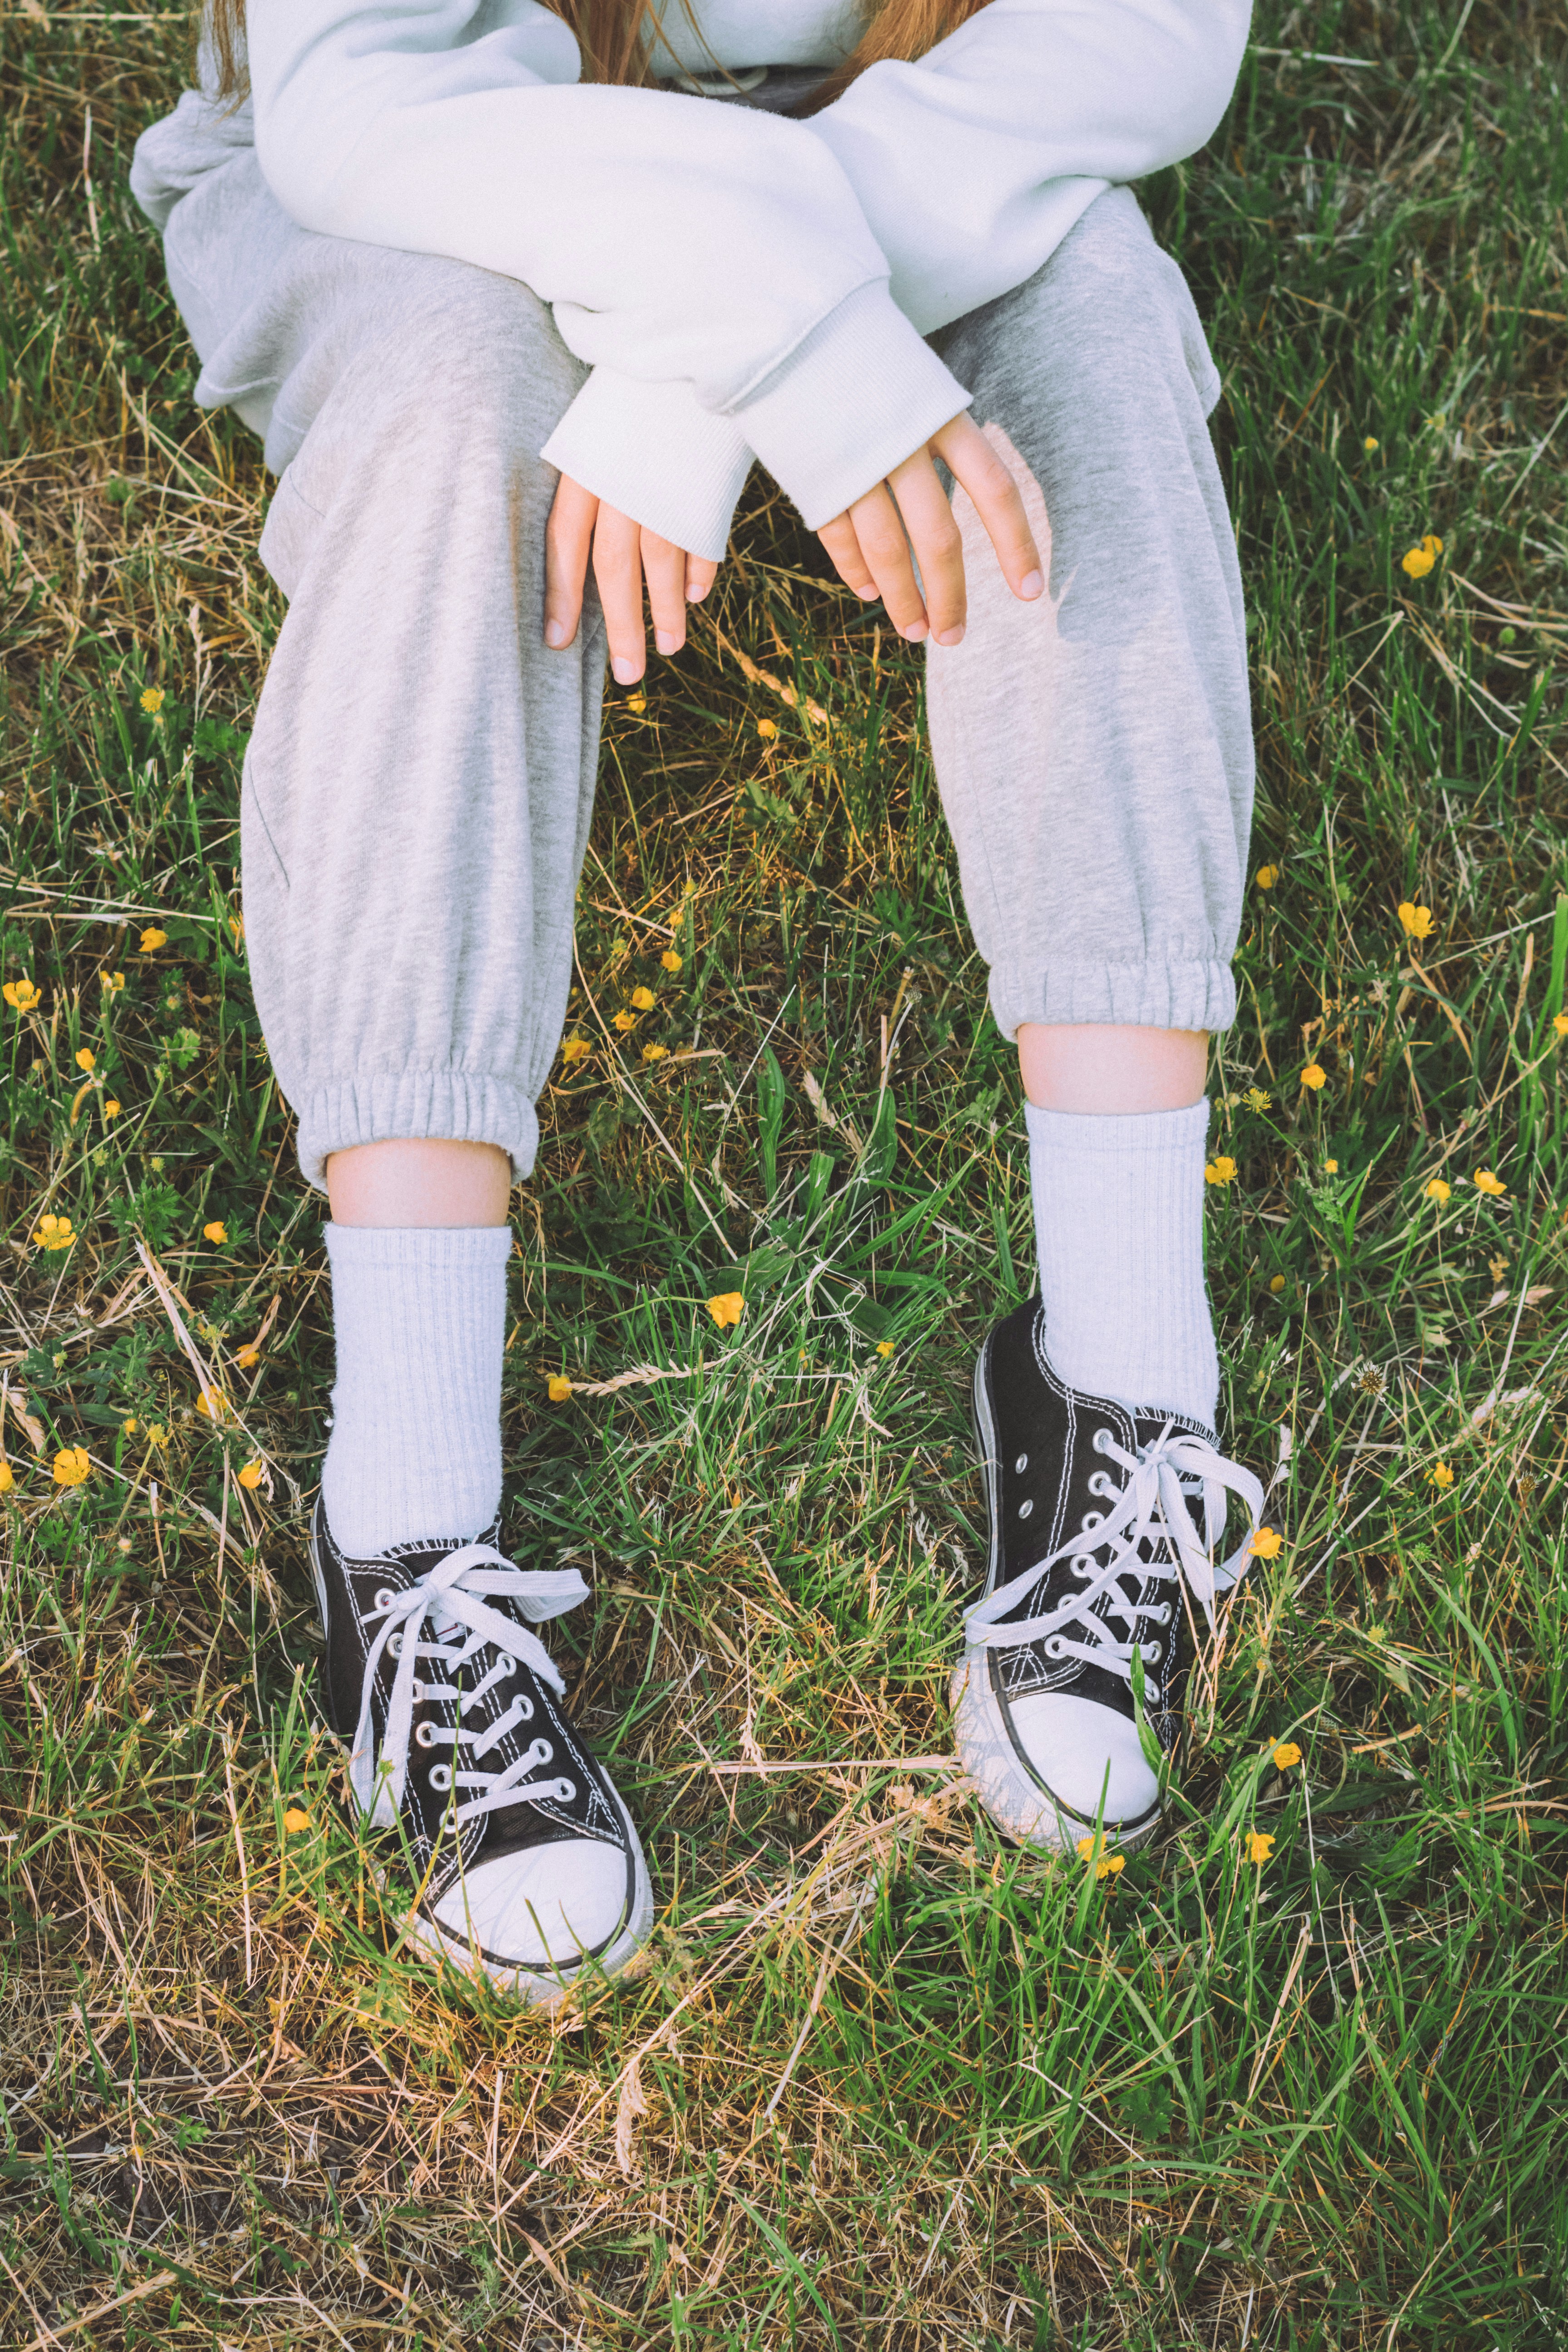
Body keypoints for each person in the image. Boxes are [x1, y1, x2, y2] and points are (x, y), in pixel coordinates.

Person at [131, 0, 1266, 2005]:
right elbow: (360, 97)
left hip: (928, 123)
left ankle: (1121, 1388)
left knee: (1084, 314)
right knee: (455, 405)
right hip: (441, 158)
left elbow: (1143, 31)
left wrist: (699, 361)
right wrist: (782, 325)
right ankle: (402, 1535)